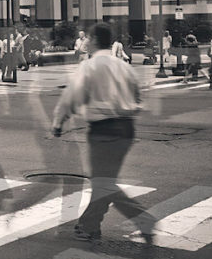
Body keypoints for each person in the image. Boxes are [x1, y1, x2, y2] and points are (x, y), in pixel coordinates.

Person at [51, 22, 156, 244]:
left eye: (88, 37)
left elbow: (71, 97)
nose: (86, 41)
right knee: (105, 181)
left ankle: (142, 219)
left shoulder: (90, 66)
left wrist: (59, 122)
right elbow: (138, 97)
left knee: (103, 183)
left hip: (104, 130)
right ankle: (90, 226)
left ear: (96, 40)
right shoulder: (124, 67)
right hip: (126, 128)